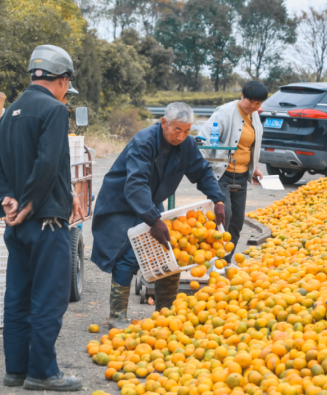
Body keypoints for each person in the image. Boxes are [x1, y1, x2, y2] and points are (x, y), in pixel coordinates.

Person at [0, 45, 84, 392]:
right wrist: (28, 203)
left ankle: (16, 369)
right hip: (46, 224)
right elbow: (45, 165)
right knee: (49, 298)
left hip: (18, 227)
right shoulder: (55, 111)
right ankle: (43, 372)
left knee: (18, 297)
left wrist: (8, 199)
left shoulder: (10, 111)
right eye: (66, 86)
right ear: (61, 80)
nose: (65, 94)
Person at [91, 102, 227, 330]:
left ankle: (165, 312)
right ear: (164, 123)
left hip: (150, 201)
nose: (182, 136)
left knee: (167, 251)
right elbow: (135, 184)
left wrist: (218, 199)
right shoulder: (144, 142)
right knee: (127, 254)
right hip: (121, 202)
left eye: (187, 131)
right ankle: (117, 316)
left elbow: (202, 171)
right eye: (177, 130)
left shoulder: (187, 144)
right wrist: (153, 220)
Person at [197, 80, 267, 261]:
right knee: (223, 216)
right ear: (242, 96)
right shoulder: (225, 113)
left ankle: (226, 261)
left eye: (258, 104)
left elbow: (250, 145)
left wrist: (254, 168)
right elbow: (202, 140)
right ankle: (212, 260)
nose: (253, 106)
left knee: (236, 222)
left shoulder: (254, 115)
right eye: (250, 101)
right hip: (221, 174)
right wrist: (200, 168)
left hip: (242, 176)